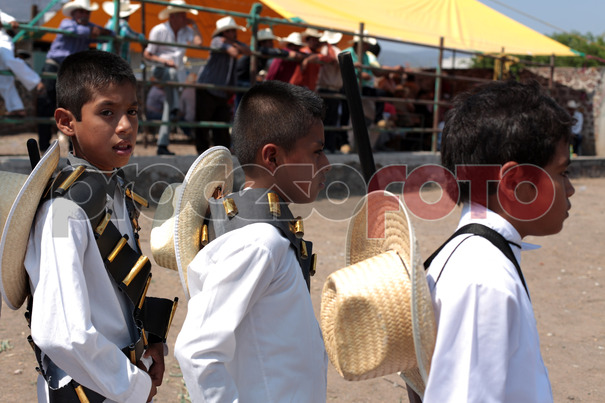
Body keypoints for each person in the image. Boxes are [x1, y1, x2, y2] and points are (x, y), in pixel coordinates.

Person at [24, 50, 175, 402]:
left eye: (132, 111)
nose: (125, 126)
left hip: (121, 377)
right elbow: (62, 332)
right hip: (88, 391)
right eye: (107, 112)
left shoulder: (114, 188)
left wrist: (151, 342)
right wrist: (134, 386)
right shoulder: (63, 212)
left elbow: (118, 293)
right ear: (66, 121)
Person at [174, 81, 330, 401]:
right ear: (272, 157)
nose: (326, 164)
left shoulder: (265, 233)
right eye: (317, 152)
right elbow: (197, 351)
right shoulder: (259, 243)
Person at [422, 80, 575, 402]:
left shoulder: (479, 257)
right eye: (562, 173)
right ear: (516, 183)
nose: (571, 189)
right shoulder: (484, 281)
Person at [37, 0, 113, 153]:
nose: (84, 15)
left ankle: (74, 147)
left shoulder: (88, 27)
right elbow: (77, 31)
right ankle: (44, 146)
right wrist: (96, 31)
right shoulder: (67, 23)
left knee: (74, 106)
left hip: (72, 69)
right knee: (46, 103)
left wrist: (102, 31)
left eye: (86, 12)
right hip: (56, 65)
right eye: (81, 11)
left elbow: (110, 35)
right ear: (73, 13)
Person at [143, 0, 202, 155]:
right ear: (173, 16)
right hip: (161, 70)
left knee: (168, 107)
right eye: (183, 15)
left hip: (177, 77)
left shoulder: (186, 30)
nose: (185, 17)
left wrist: (194, 25)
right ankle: (176, 108)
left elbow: (199, 43)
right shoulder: (159, 30)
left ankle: (162, 145)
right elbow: (147, 54)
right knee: (171, 73)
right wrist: (164, 61)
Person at [194, 16, 250, 154]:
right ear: (224, 32)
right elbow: (235, 52)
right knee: (203, 121)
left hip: (220, 90)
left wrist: (233, 43)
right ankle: (202, 150)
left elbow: (247, 51)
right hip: (208, 87)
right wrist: (234, 45)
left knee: (221, 123)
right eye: (230, 31)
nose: (234, 33)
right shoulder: (217, 41)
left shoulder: (231, 43)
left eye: (233, 30)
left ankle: (221, 152)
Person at [234, 27, 292, 107]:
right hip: (241, 80)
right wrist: (287, 53)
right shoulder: (258, 50)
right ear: (262, 43)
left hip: (244, 80)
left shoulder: (261, 52)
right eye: (270, 42)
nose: (272, 44)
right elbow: (273, 51)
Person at [0, 9, 43, 117]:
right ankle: (16, 108)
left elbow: (6, 18)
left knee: (9, 60)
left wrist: (10, 22)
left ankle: (36, 81)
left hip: (2, 41)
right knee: (2, 77)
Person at [316, 30, 343, 153]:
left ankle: (326, 146)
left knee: (326, 119)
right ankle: (328, 146)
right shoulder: (333, 50)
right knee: (330, 119)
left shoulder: (327, 50)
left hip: (326, 88)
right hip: (331, 89)